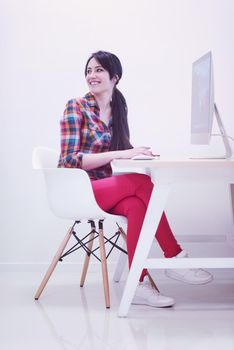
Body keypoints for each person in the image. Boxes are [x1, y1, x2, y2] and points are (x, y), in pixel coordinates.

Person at [58, 50, 213, 308]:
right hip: (78, 189)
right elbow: (70, 160)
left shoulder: (118, 106)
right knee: (142, 185)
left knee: (137, 205)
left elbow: (119, 150)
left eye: (98, 70)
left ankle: (138, 283)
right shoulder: (76, 106)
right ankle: (175, 257)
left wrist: (138, 156)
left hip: (103, 189)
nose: (91, 75)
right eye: (88, 70)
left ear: (115, 77)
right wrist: (123, 153)